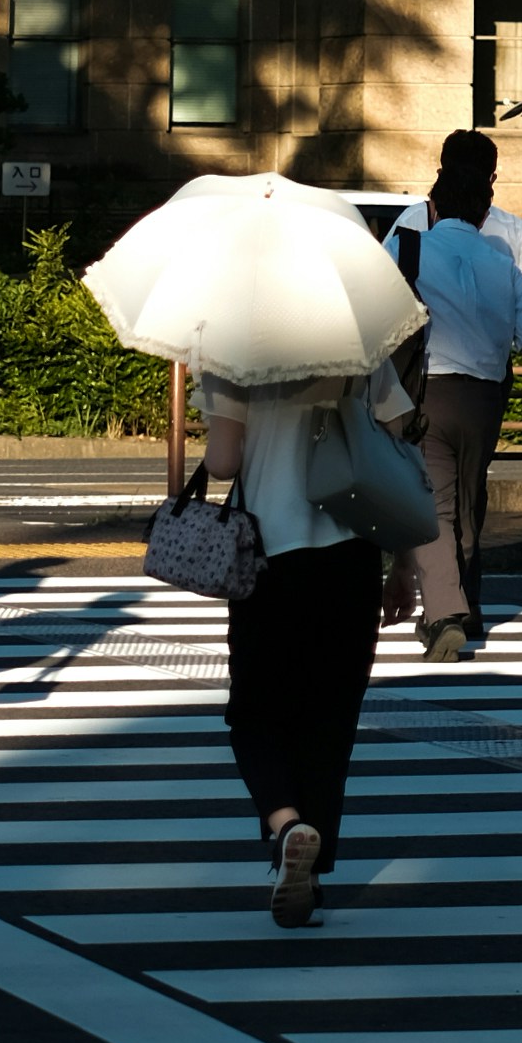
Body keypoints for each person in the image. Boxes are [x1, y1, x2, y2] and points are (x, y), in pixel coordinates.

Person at [200, 360, 426, 929]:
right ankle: (311, 875)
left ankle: (286, 826)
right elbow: (394, 446)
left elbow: (223, 463)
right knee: (329, 720)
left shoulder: (231, 349)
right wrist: (404, 563)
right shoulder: (359, 342)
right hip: (350, 556)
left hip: (268, 555)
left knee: (255, 714)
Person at [391, 131, 522, 660]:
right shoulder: (501, 260)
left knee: (436, 506)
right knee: (465, 503)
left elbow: (375, 314)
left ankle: (443, 615)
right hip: (486, 398)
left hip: (429, 392)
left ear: (434, 204)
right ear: (485, 204)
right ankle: (468, 604)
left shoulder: (409, 244)